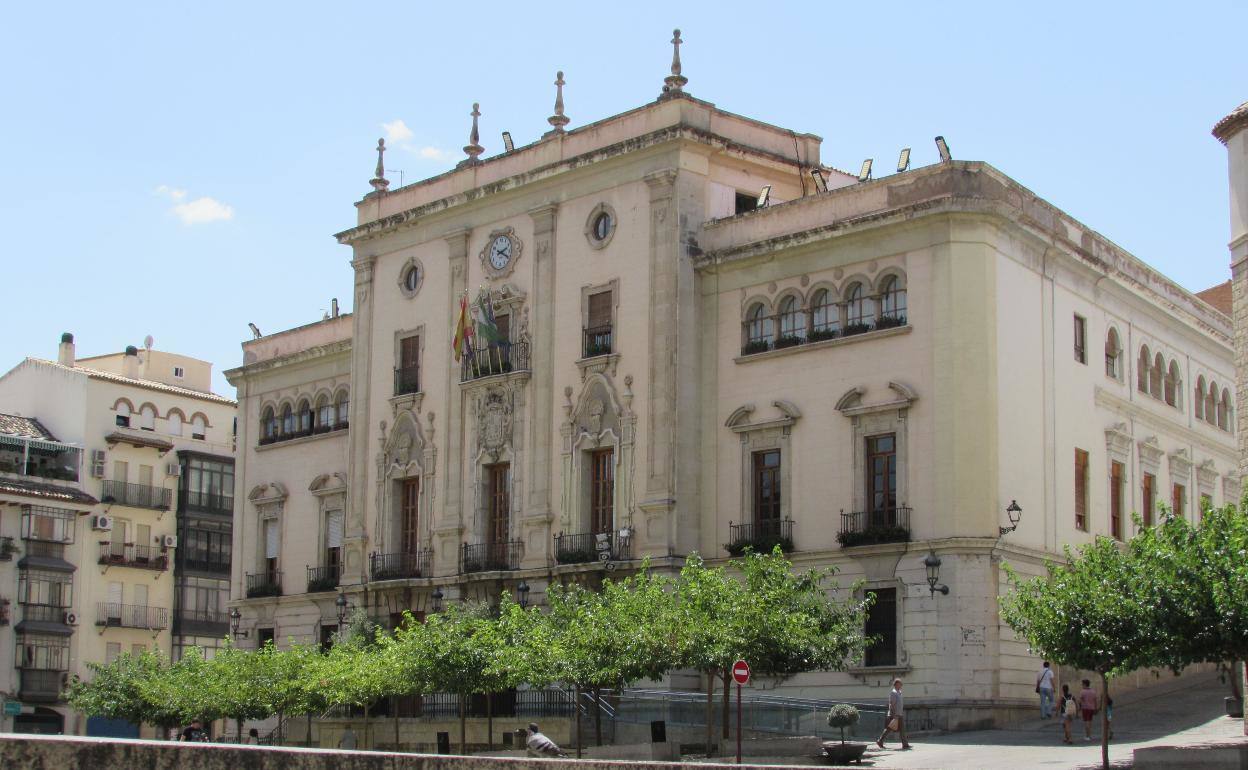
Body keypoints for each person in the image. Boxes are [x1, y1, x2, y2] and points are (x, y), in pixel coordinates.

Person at [876, 678, 912, 750]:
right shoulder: (893, 693)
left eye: (901, 684)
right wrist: (894, 715)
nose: (901, 685)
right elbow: (891, 704)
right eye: (900, 684)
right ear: (896, 684)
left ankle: (905, 744)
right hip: (894, 714)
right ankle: (880, 741)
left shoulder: (899, 692)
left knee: (901, 729)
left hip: (899, 714)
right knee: (889, 728)